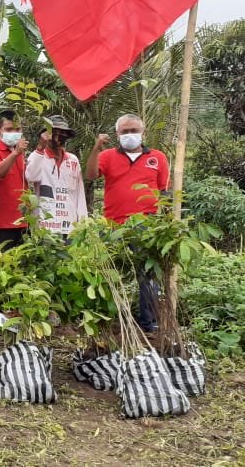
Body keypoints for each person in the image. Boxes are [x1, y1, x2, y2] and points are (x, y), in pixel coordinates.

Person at [86, 113, 170, 332]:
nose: (130, 135)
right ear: (117, 134)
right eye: (125, 132)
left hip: (147, 226)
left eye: (134, 131)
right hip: (114, 226)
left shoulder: (158, 157)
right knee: (111, 273)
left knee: (148, 276)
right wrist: (96, 147)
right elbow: (91, 174)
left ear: (143, 133)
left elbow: (163, 191)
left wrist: (167, 223)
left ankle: (148, 322)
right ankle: (111, 320)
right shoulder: (107, 155)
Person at [24, 115, 88, 237]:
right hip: (45, 227)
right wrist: (40, 148)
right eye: (55, 133)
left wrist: (83, 222)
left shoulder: (73, 160)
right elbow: (31, 177)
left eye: (63, 134)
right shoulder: (37, 156)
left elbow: (79, 193)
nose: (58, 138)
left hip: (70, 226)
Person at [0, 110, 30, 250]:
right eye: (9, 129)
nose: (14, 133)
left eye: (17, 129)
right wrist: (16, 153)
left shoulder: (20, 153)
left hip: (22, 223)